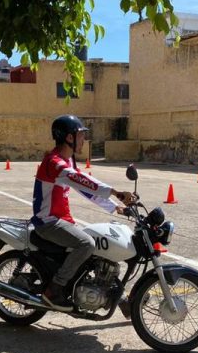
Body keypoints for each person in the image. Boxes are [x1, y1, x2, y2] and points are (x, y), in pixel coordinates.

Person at [32, 114, 135, 311]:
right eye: (80, 135)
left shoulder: (67, 161)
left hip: (62, 219)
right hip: (48, 222)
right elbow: (83, 181)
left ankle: (115, 296)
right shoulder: (55, 163)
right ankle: (54, 290)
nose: (84, 140)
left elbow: (85, 189)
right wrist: (116, 192)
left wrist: (114, 206)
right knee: (86, 244)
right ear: (69, 137)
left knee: (99, 246)